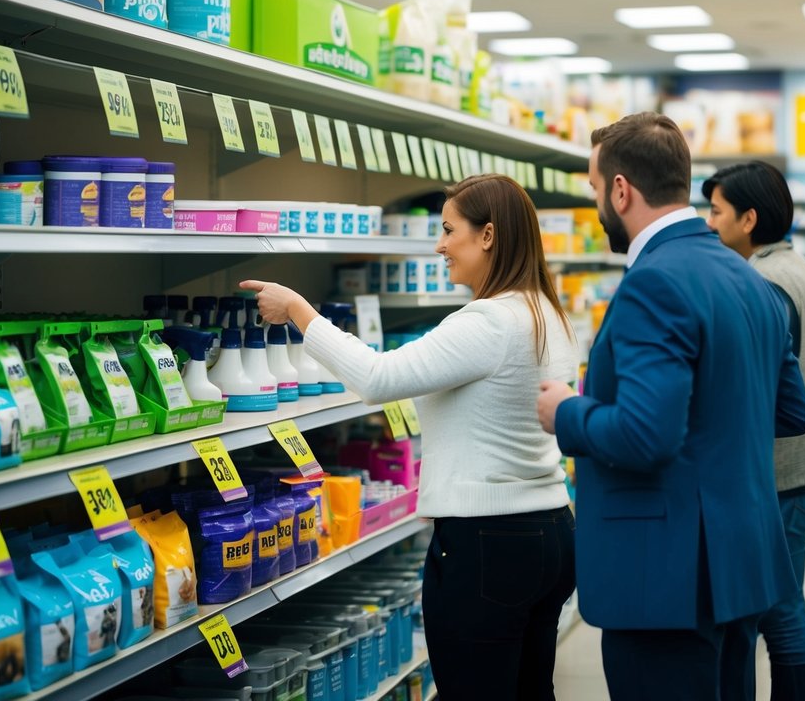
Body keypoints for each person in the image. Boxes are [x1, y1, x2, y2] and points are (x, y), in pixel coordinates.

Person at [242, 173, 579, 701]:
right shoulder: (546, 311)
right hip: (550, 531)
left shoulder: (487, 322)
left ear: (487, 235)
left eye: (449, 230)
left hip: (491, 543)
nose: (440, 245)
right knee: (531, 689)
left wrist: (301, 314)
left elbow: (379, 378)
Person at [536, 112, 805, 700]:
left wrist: (566, 412)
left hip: (667, 577)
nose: (596, 204)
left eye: (593, 188)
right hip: (739, 563)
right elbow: (790, 411)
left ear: (620, 189)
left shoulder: (653, 282)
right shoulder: (750, 280)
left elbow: (644, 436)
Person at [705, 161, 805, 701]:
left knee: (780, 616)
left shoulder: (765, 282)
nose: (708, 223)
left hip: (791, 473)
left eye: (717, 212)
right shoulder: (797, 266)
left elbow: (761, 387)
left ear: (747, 218)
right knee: (778, 610)